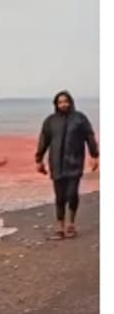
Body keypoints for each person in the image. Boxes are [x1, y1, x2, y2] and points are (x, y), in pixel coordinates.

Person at [35, 89, 99, 239]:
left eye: (65, 101)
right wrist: (38, 160)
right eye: (60, 102)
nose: (63, 104)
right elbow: (44, 140)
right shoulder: (50, 121)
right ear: (56, 104)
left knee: (72, 194)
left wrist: (94, 155)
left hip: (74, 163)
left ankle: (71, 224)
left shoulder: (80, 119)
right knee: (59, 197)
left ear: (70, 102)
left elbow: (89, 136)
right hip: (56, 164)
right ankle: (60, 228)